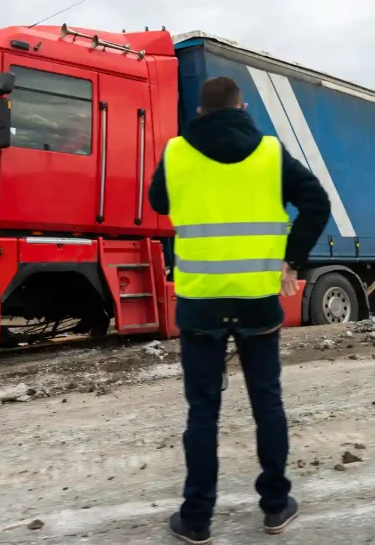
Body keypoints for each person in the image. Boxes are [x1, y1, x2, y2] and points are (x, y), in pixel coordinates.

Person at [148, 76, 330, 543]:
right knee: (267, 403)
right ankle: (274, 507)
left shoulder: (176, 153)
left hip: (201, 303)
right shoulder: (270, 153)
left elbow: (158, 202)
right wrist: (292, 258)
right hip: (256, 300)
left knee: (202, 413)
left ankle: (196, 519)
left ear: (202, 112)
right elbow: (316, 201)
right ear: (242, 105)